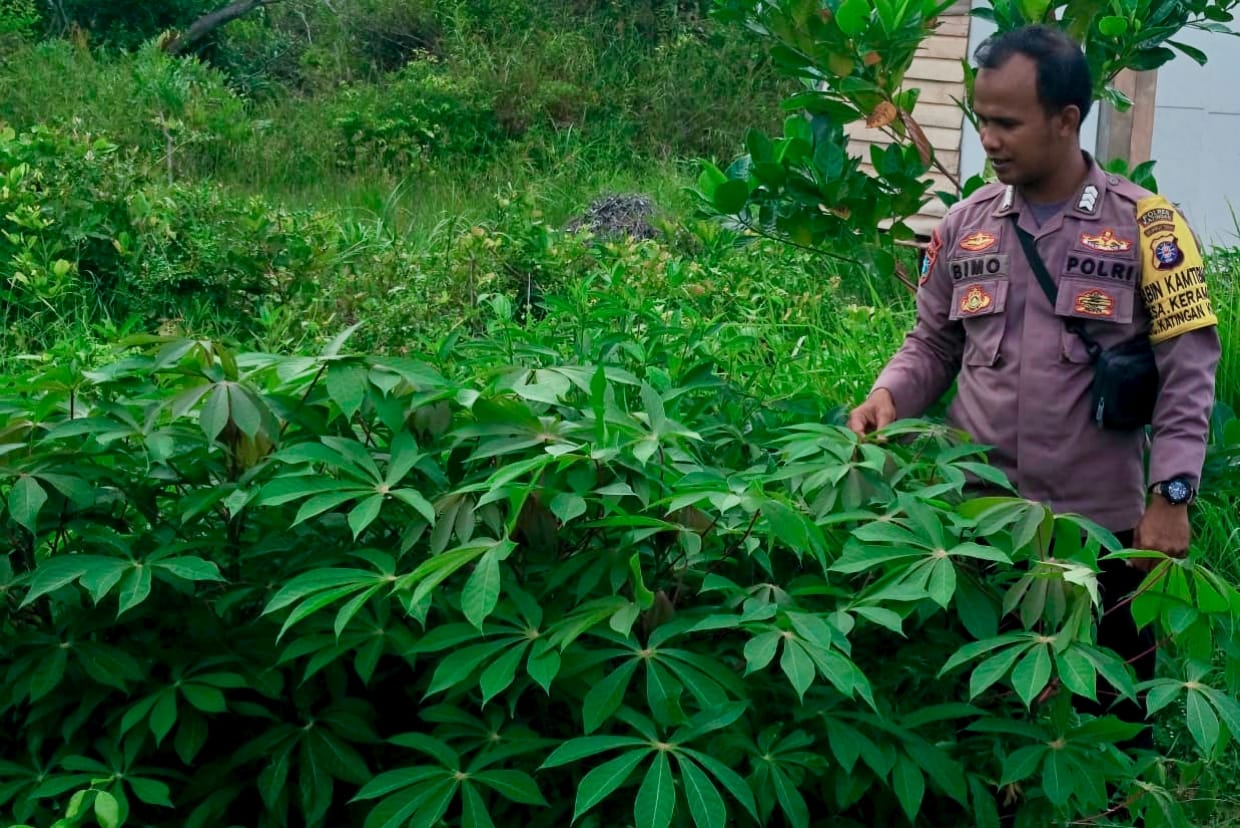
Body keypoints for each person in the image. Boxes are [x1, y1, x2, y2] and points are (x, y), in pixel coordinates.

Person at [846, 25, 1221, 726]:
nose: (989, 139)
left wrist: (1171, 495)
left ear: (1066, 120)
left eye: (1008, 123)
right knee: (984, 725)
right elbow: (932, 344)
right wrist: (887, 395)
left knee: (1108, 729)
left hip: (1102, 536)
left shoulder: (1151, 228)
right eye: (982, 120)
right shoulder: (964, 226)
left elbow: (1189, 371)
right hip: (977, 527)